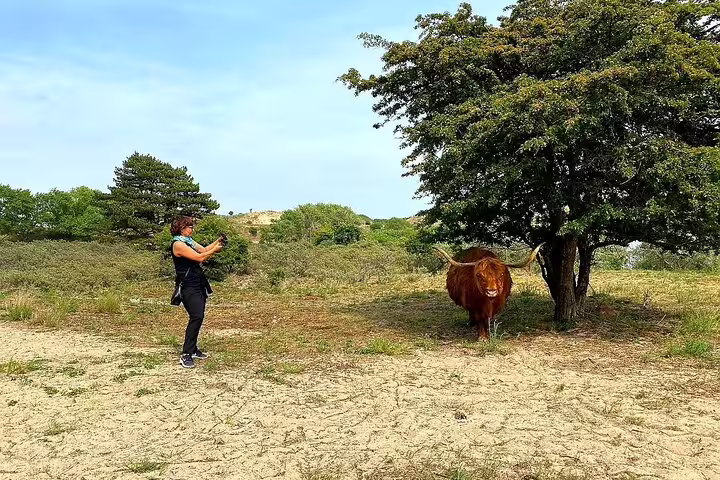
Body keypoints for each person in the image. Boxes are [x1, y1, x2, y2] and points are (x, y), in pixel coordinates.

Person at [169, 216, 225, 369]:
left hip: (197, 283)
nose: (192, 229)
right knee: (196, 316)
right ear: (181, 228)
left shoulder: (188, 241)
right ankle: (186, 353)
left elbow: (204, 250)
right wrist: (215, 250)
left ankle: (193, 349)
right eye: (189, 226)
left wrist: (218, 241)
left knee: (199, 316)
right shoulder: (178, 244)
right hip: (188, 285)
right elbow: (200, 257)